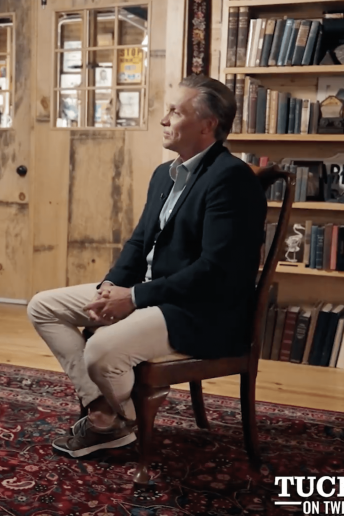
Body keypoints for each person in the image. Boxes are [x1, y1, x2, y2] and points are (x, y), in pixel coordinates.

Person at [27, 74, 267, 458]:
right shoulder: (164, 174)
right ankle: (106, 412)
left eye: (175, 112)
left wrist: (134, 297)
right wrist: (110, 287)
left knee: (101, 352)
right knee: (43, 306)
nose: (163, 119)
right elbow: (139, 243)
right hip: (155, 294)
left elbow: (215, 271)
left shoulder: (232, 180)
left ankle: (115, 419)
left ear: (207, 125)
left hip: (200, 311)